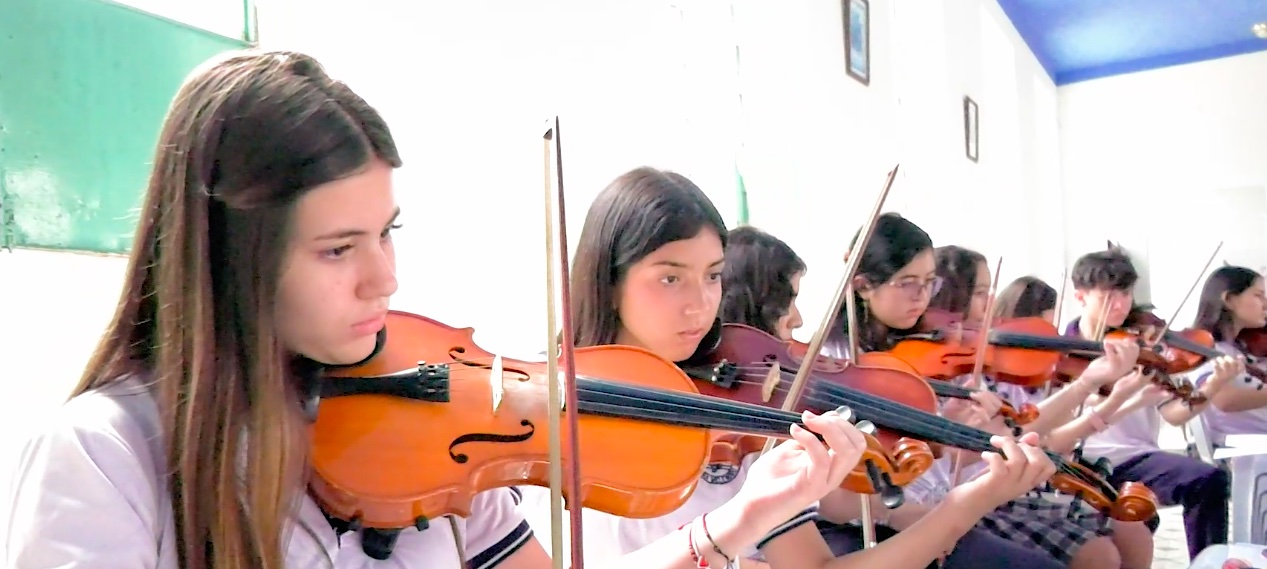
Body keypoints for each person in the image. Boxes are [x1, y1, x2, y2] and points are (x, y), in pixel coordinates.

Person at [1, 51, 855, 569]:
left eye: (388, 231)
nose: (386, 278)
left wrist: (740, 519)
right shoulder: (104, 455)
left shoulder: (430, 420)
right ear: (229, 255)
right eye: (339, 248)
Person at [715, 224, 1065, 568]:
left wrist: (949, 440)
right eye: (908, 283)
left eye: (930, 283)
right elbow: (832, 504)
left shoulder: (892, 355)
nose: (798, 318)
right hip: (854, 527)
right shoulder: (783, 385)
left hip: (898, 511)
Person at [924, 247, 1157, 569]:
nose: (990, 304)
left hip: (1010, 484)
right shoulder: (951, 371)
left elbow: (1020, 432)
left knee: (1132, 530)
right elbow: (1015, 438)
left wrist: (1098, 389)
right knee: (1099, 553)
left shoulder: (984, 369)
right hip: (978, 496)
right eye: (980, 293)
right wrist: (1105, 397)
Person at [1066, 247, 1243, 560]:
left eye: (1126, 293)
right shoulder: (1058, 353)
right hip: (1080, 461)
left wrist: (1213, 385)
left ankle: (1209, 563)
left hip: (1137, 459)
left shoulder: (1141, 347)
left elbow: (1175, 415)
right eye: (1108, 296)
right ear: (1081, 297)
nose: (1120, 304)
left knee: (1207, 479)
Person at [1184, 265, 1267, 443]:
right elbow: (1225, 399)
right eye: (1258, 295)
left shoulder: (1242, 347)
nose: (1265, 304)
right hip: (1246, 447)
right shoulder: (1205, 349)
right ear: (1229, 300)